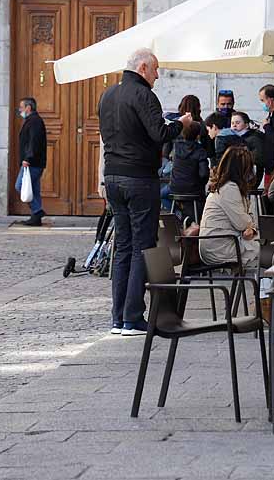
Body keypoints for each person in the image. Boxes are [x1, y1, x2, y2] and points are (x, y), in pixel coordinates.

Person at [98, 48, 192, 336]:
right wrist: (182, 124)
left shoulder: (108, 95)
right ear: (142, 68)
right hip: (139, 178)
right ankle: (133, 317)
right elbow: (160, 134)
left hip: (113, 176)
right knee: (142, 245)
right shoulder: (144, 95)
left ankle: (118, 319)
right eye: (155, 69)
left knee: (123, 247)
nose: (157, 75)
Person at [199, 146, 260, 268]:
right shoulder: (229, 188)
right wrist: (252, 227)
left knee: (262, 248)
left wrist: (251, 226)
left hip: (218, 243)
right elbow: (243, 223)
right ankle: (264, 286)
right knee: (268, 252)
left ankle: (246, 286)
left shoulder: (225, 186)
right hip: (220, 246)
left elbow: (247, 220)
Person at [168, 121, 210, 223]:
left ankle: (176, 215)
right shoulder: (200, 151)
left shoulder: (176, 147)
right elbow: (203, 174)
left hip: (175, 187)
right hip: (193, 189)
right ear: (198, 136)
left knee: (163, 194)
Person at [15, 97, 47, 227]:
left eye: (21, 107)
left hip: (32, 162)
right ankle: (36, 218)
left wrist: (27, 158)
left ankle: (37, 211)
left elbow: (33, 142)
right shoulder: (32, 120)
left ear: (28, 107)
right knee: (33, 189)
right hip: (35, 161)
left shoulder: (34, 121)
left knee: (20, 185)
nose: (20, 110)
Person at [214, 111, 265, 183]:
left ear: (246, 125)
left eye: (237, 123)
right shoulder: (229, 138)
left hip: (249, 176)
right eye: (232, 123)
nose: (234, 125)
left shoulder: (254, 138)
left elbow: (257, 160)